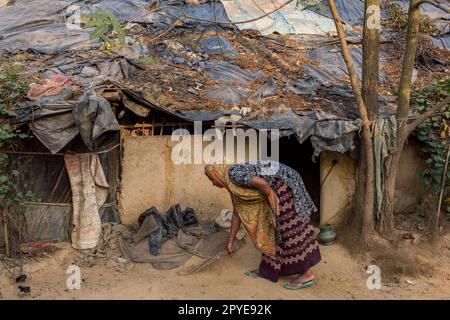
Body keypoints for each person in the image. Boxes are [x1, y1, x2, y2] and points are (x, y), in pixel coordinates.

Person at [204, 161, 321, 290]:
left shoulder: (233, 174)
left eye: (211, 179)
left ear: (216, 175)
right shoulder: (231, 184)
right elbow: (236, 213)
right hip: (277, 186)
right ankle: (269, 269)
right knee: (271, 229)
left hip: (285, 184)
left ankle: (306, 274)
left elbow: (263, 184)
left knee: (288, 229)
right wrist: (230, 241)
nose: (213, 183)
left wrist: (273, 205)